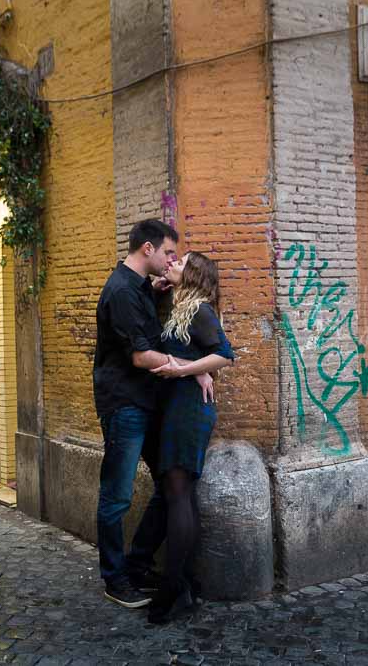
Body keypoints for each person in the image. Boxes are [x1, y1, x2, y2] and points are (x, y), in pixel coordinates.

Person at [92, 219, 214, 608]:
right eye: (168, 254)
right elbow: (142, 356)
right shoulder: (122, 292)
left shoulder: (139, 287)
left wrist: (158, 287)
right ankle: (115, 579)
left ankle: (138, 563)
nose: (171, 261)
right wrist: (191, 367)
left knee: (169, 486)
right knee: (116, 496)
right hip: (125, 404)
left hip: (148, 403)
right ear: (148, 249)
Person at [146, 251, 235, 623]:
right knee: (178, 495)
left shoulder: (200, 310)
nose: (171, 264)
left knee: (179, 494)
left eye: (179, 262)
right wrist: (155, 288)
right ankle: (184, 585)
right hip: (176, 410)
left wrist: (189, 371)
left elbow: (224, 356)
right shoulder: (177, 305)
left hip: (190, 412)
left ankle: (172, 590)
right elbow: (169, 348)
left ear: (194, 274)